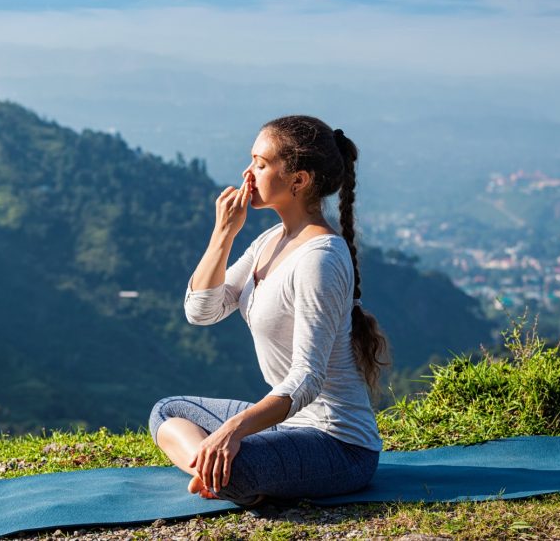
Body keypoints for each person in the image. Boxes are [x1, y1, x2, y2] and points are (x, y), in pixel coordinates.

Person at [148, 115, 390, 507]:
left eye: (261, 164)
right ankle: (215, 473)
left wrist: (233, 431)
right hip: (288, 426)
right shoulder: (270, 240)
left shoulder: (320, 260)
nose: (248, 173)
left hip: (339, 447)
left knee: (235, 462)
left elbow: (306, 379)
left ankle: (224, 474)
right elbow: (202, 311)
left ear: (299, 180)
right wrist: (223, 234)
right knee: (168, 412)